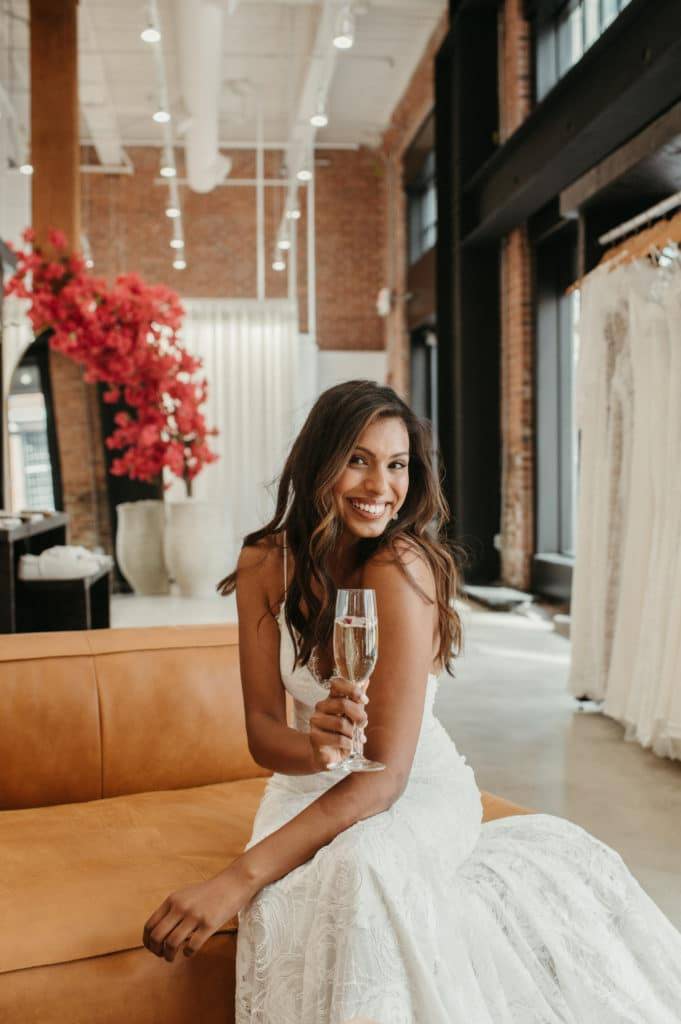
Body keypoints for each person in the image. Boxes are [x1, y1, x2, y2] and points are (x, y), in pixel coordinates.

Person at [143, 380, 681, 1023]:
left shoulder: (399, 568)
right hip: (307, 791)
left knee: (361, 870)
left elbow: (383, 777)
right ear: (319, 462)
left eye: (397, 465)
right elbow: (262, 731)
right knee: (296, 900)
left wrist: (236, 878)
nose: (381, 487)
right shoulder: (265, 564)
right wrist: (314, 746)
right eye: (359, 459)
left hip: (413, 788)